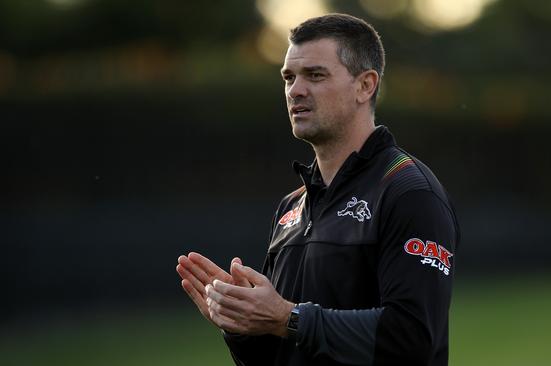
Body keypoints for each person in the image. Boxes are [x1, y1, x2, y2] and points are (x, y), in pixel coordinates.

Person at [176, 13, 460, 366]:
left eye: (315, 75)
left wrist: (288, 317)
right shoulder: (291, 206)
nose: (296, 90)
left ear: (365, 85)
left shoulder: (408, 192)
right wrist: (243, 325)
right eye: (289, 77)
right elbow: (281, 352)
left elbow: (412, 338)